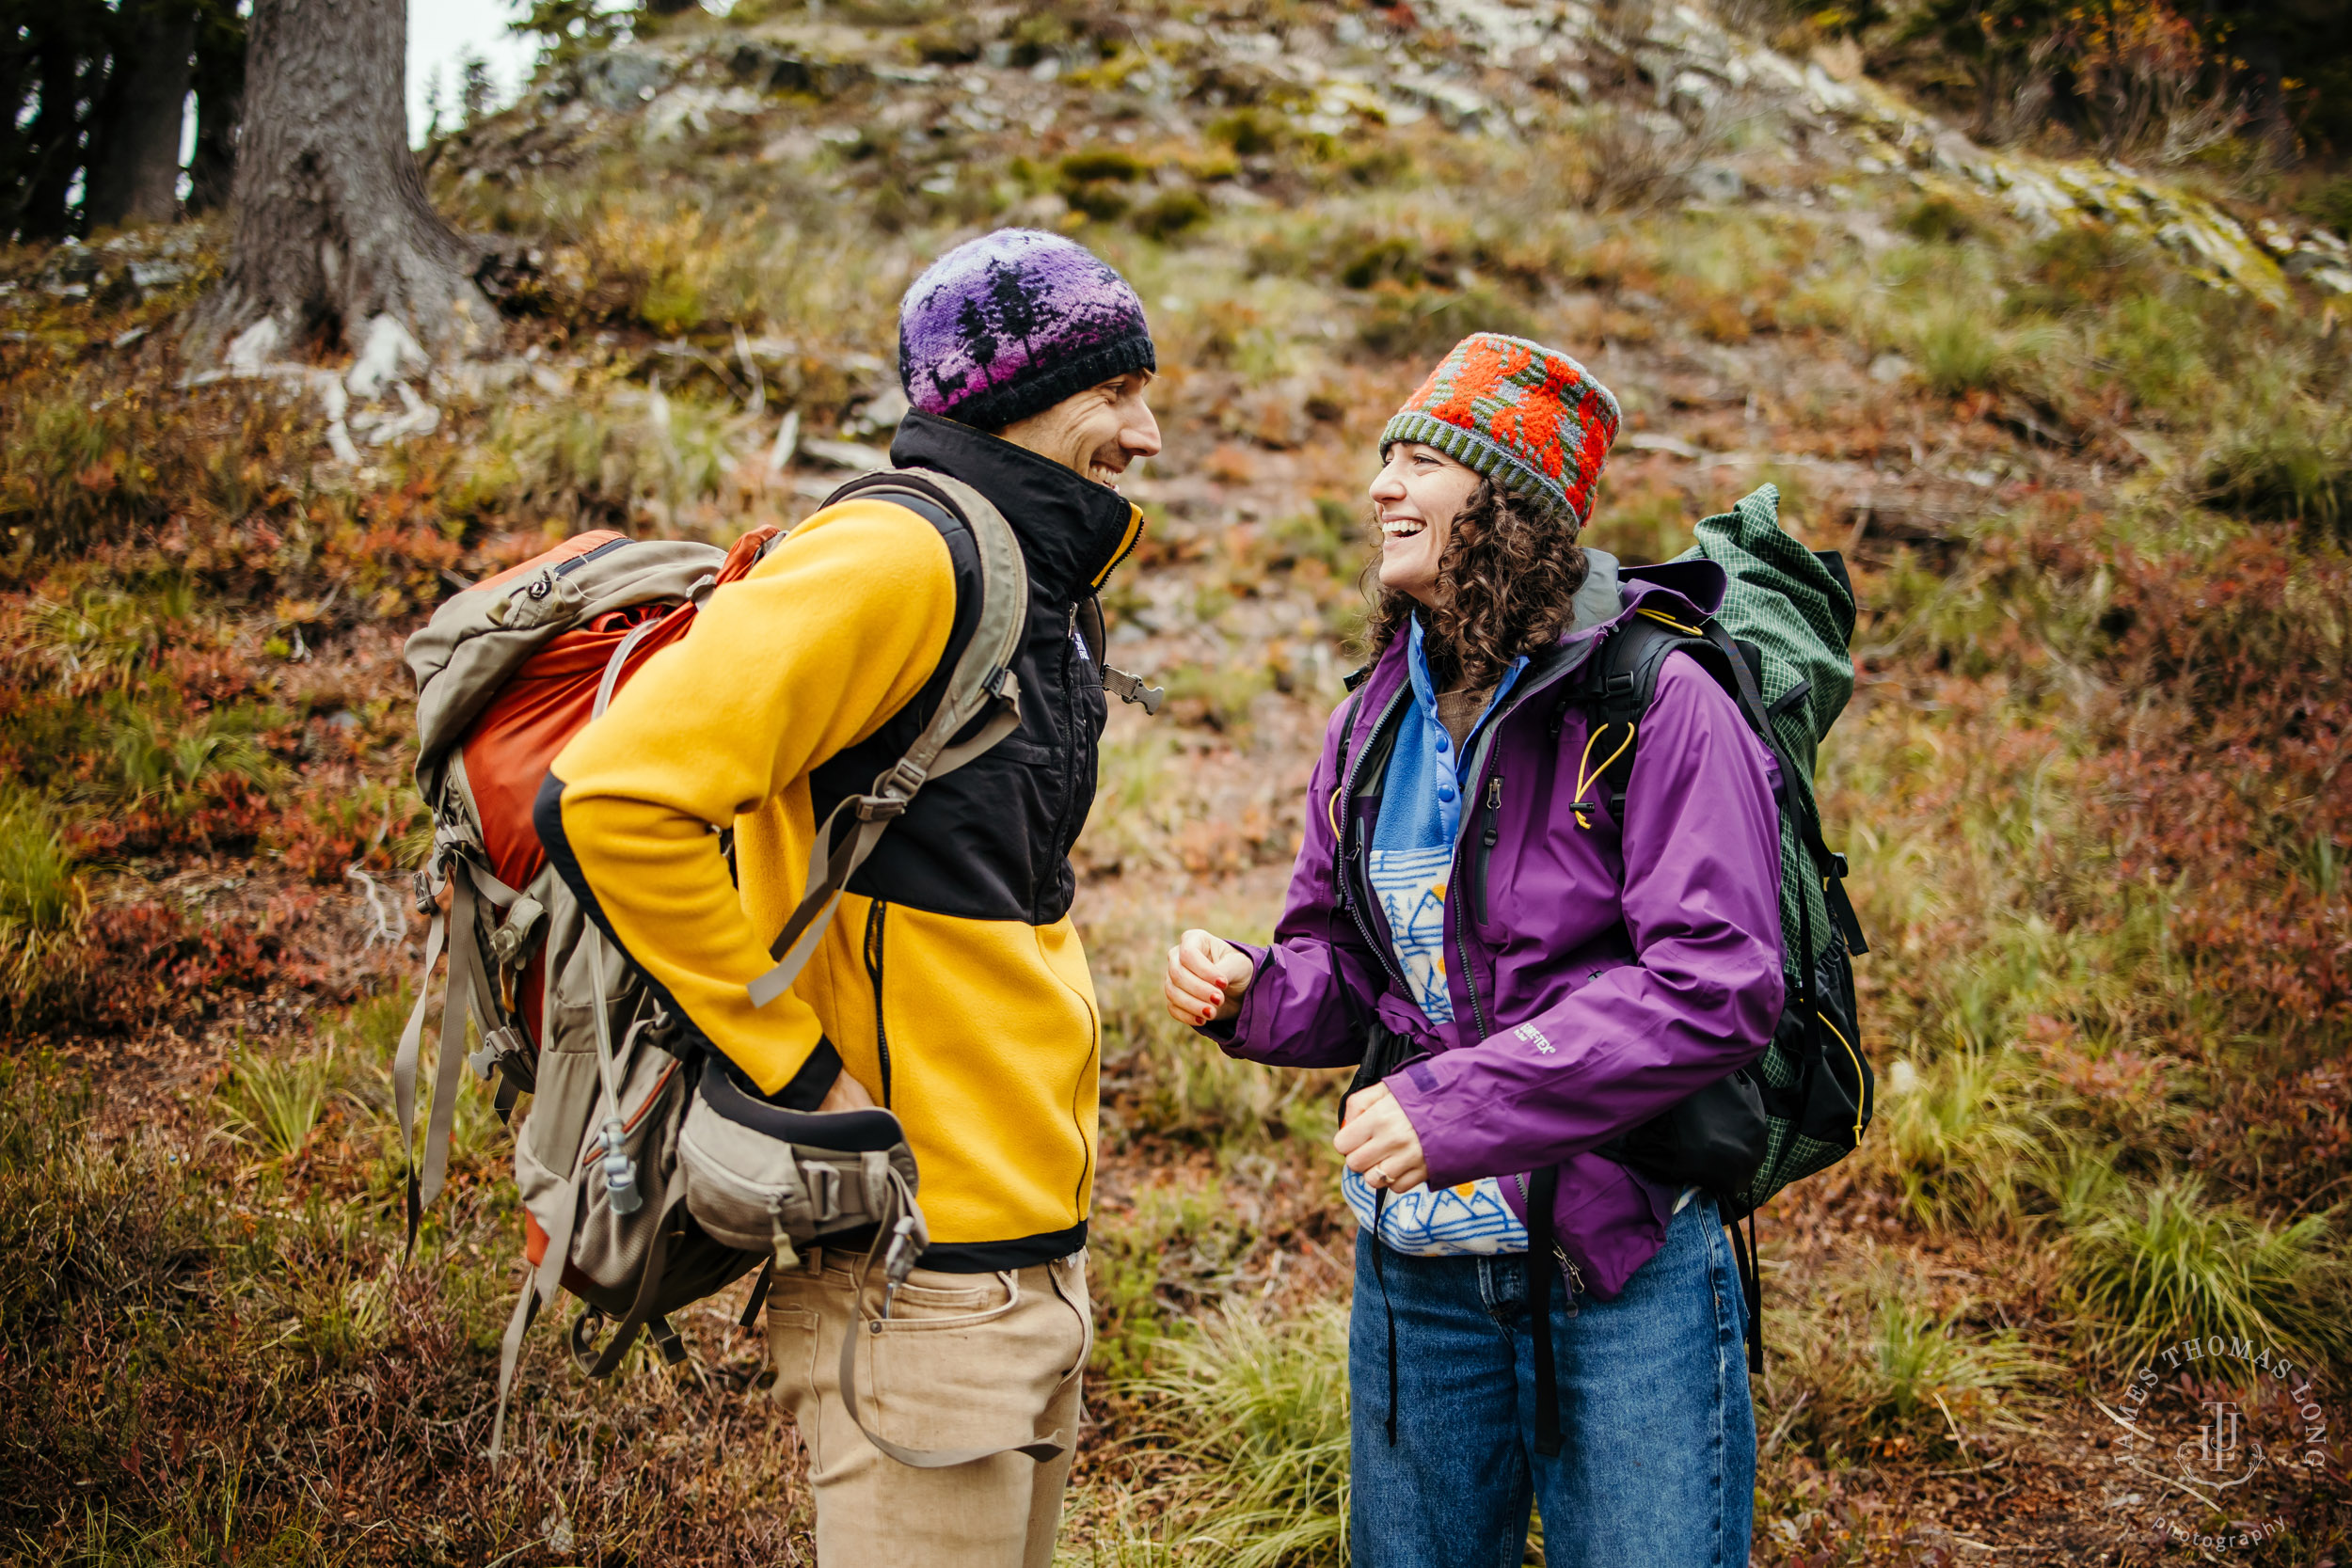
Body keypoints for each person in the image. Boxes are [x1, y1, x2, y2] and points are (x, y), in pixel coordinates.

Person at [539, 229, 1160, 1568]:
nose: (1147, 432)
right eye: (1114, 391)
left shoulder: (1037, 580)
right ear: (1013, 394)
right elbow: (611, 796)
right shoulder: (898, 556)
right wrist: (798, 1072)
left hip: (1023, 1264)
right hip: (916, 1279)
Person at [1161, 333, 1786, 1567]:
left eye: (1419, 462)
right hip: (1418, 1280)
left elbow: (1716, 987)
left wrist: (1458, 1107)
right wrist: (1251, 991)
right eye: (1383, 460)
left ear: (1511, 505)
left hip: (1621, 1263)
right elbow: (1348, 973)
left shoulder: (1660, 702)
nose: (1382, 487)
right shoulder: (1369, 719)